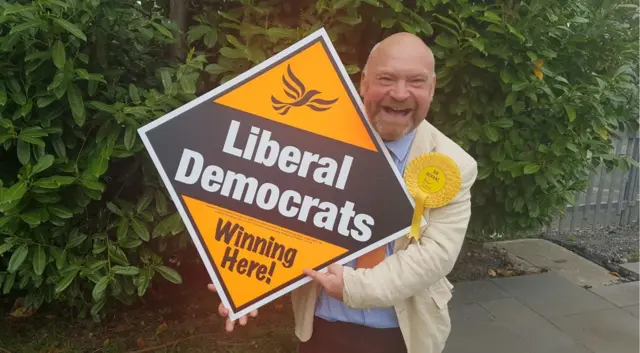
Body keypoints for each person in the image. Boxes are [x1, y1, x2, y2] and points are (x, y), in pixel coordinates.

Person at [207, 32, 478, 353]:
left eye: (416, 82)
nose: (400, 92)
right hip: (322, 327)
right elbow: (274, 215)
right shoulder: (312, 141)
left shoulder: (455, 165)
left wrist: (352, 287)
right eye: (386, 78)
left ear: (432, 88)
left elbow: (433, 257)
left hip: (402, 335)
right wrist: (241, 282)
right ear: (364, 83)